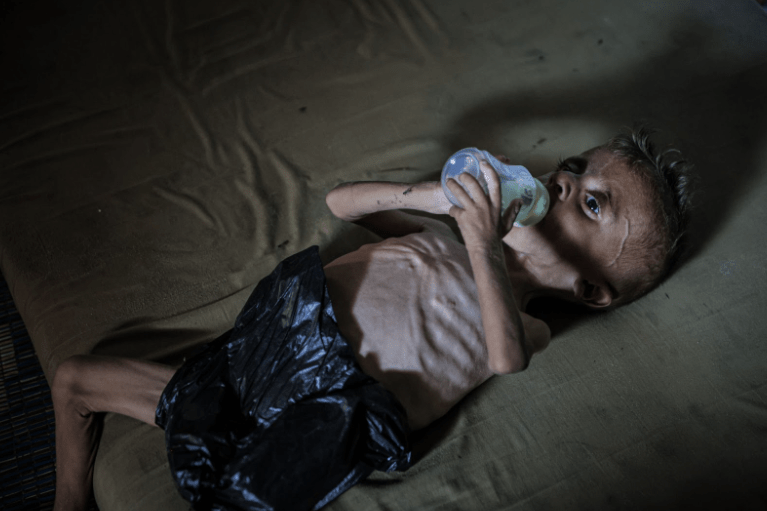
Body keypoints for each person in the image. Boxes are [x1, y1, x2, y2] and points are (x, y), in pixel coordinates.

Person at [51, 126, 693, 511]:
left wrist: (480, 243)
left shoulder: (527, 325)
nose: (561, 183)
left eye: (592, 204)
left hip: (326, 411)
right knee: (75, 377)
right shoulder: (436, 236)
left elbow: (505, 357)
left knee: (246, 494)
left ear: (590, 289)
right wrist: (433, 197)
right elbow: (342, 203)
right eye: (572, 168)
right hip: (266, 350)